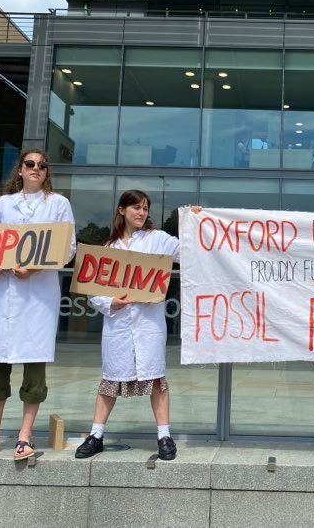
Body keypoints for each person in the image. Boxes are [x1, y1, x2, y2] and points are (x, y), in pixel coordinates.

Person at [0, 148, 75, 462]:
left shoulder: (58, 204)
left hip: (38, 296)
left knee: (34, 366)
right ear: (20, 169)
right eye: (30, 164)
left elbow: (67, 246)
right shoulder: (3, 204)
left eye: (42, 165)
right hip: (3, 293)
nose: (36, 169)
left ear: (47, 172)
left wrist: (36, 267)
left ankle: (25, 436)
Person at [75, 190, 199, 460]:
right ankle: (96, 435)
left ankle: (164, 436)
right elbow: (93, 291)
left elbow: (190, 251)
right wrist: (111, 303)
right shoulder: (109, 249)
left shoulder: (159, 240)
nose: (141, 213)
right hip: (118, 326)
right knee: (111, 381)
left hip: (148, 326)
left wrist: (195, 222)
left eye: (145, 208)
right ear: (122, 210)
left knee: (156, 380)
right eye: (136, 208)